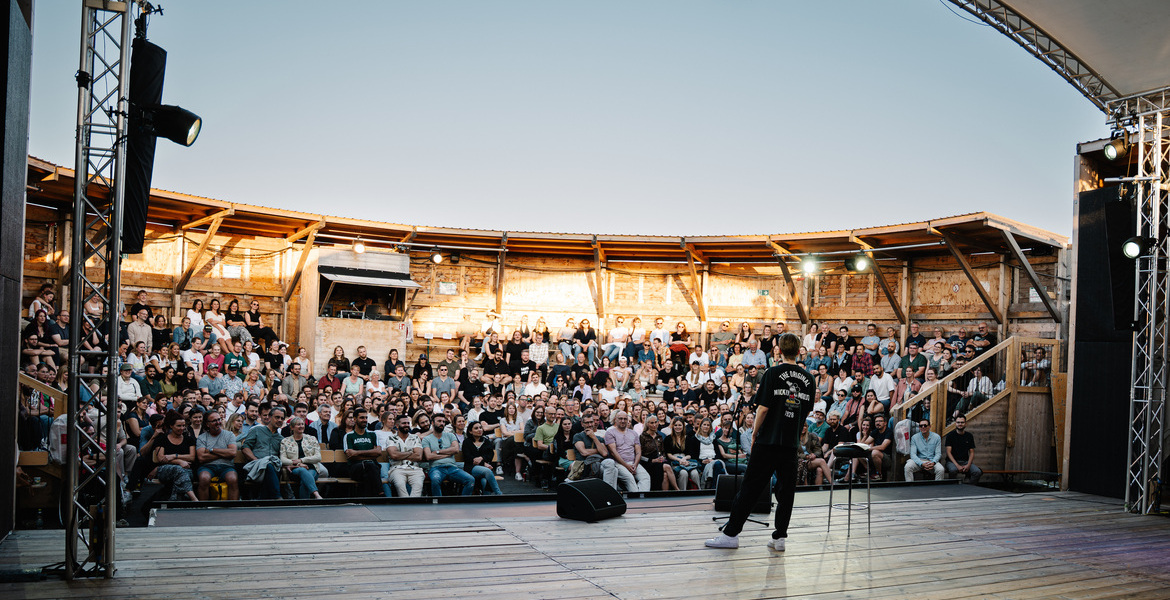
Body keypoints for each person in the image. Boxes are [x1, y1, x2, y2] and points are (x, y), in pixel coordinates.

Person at [706, 333, 813, 552]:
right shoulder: (809, 379)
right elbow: (805, 410)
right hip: (790, 445)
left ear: (779, 350)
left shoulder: (772, 372)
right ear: (799, 349)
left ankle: (731, 534)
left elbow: (762, 408)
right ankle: (779, 537)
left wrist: (754, 434)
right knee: (786, 492)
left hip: (769, 440)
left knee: (751, 487)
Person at [422, 414, 475, 495]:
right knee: (435, 479)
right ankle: (437, 504)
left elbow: (456, 449)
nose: (442, 423)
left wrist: (438, 452)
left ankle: (464, 503)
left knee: (470, 479)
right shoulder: (427, 439)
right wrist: (448, 454)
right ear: (432, 423)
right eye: (439, 421)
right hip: (436, 468)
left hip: (452, 467)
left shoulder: (450, 435)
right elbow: (429, 456)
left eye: (443, 421)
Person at [152, 410, 199, 502]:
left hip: (186, 470)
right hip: (165, 470)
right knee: (179, 469)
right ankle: (194, 499)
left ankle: (174, 501)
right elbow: (161, 458)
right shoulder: (162, 439)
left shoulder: (189, 439)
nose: (182, 428)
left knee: (182, 475)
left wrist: (174, 456)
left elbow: (192, 457)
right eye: (178, 426)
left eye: (183, 425)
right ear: (171, 426)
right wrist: (179, 461)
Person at [603, 410, 651, 492]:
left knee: (645, 477)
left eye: (625, 419)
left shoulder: (633, 433)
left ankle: (642, 499)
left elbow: (638, 451)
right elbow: (613, 452)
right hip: (619, 463)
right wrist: (626, 465)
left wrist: (635, 464)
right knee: (630, 478)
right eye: (620, 418)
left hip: (633, 463)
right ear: (616, 420)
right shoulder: (610, 432)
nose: (623, 421)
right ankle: (636, 499)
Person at [281, 416, 326, 499]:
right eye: (298, 424)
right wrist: (298, 464)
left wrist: (302, 460)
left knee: (305, 480)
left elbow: (318, 457)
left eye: (302, 424)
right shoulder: (285, 441)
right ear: (292, 427)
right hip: (294, 469)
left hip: (311, 467)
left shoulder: (311, 439)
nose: (301, 426)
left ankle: (303, 504)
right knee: (302, 470)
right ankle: (316, 494)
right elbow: (282, 459)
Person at [343, 408, 383, 497]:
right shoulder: (349, 436)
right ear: (354, 419)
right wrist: (370, 454)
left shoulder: (373, 434)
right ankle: (380, 493)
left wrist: (357, 453)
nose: (365, 420)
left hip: (371, 468)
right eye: (361, 418)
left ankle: (365, 499)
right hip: (355, 468)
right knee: (370, 465)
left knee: (368, 472)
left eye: (366, 418)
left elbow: (378, 452)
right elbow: (350, 455)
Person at [385, 414, 424, 497]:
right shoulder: (391, 438)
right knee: (400, 485)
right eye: (404, 423)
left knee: (418, 485)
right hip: (396, 469)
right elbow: (394, 455)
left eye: (408, 423)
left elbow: (418, 456)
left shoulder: (415, 438)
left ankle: (411, 506)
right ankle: (407, 505)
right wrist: (410, 452)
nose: (406, 425)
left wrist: (400, 454)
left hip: (415, 469)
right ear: (397, 425)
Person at [463, 421, 502, 495]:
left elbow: (490, 455)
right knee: (487, 471)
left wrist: (481, 458)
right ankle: (499, 493)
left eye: (480, 428)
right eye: (476, 428)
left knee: (484, 481)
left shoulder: (486, 441)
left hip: (483, 468)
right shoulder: (467, 442)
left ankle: (486, 503)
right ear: (470, 431)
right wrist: (483, 463)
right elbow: (468, 458)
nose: (479, 430)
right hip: (471, 467)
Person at [944, 414, 982, 483]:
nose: (960, 424)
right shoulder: (950, 435)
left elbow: (972, 452)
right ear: (955, 423)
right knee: (953, 470)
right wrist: (957, 465)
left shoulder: (969, 436)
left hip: (965, 461)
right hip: (952, 462)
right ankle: (952, 488)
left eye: (962, 422)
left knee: (977, 472)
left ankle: (969, 488)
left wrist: (968, 465)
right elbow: (948, 452)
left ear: (965, 424)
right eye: (958, 422)